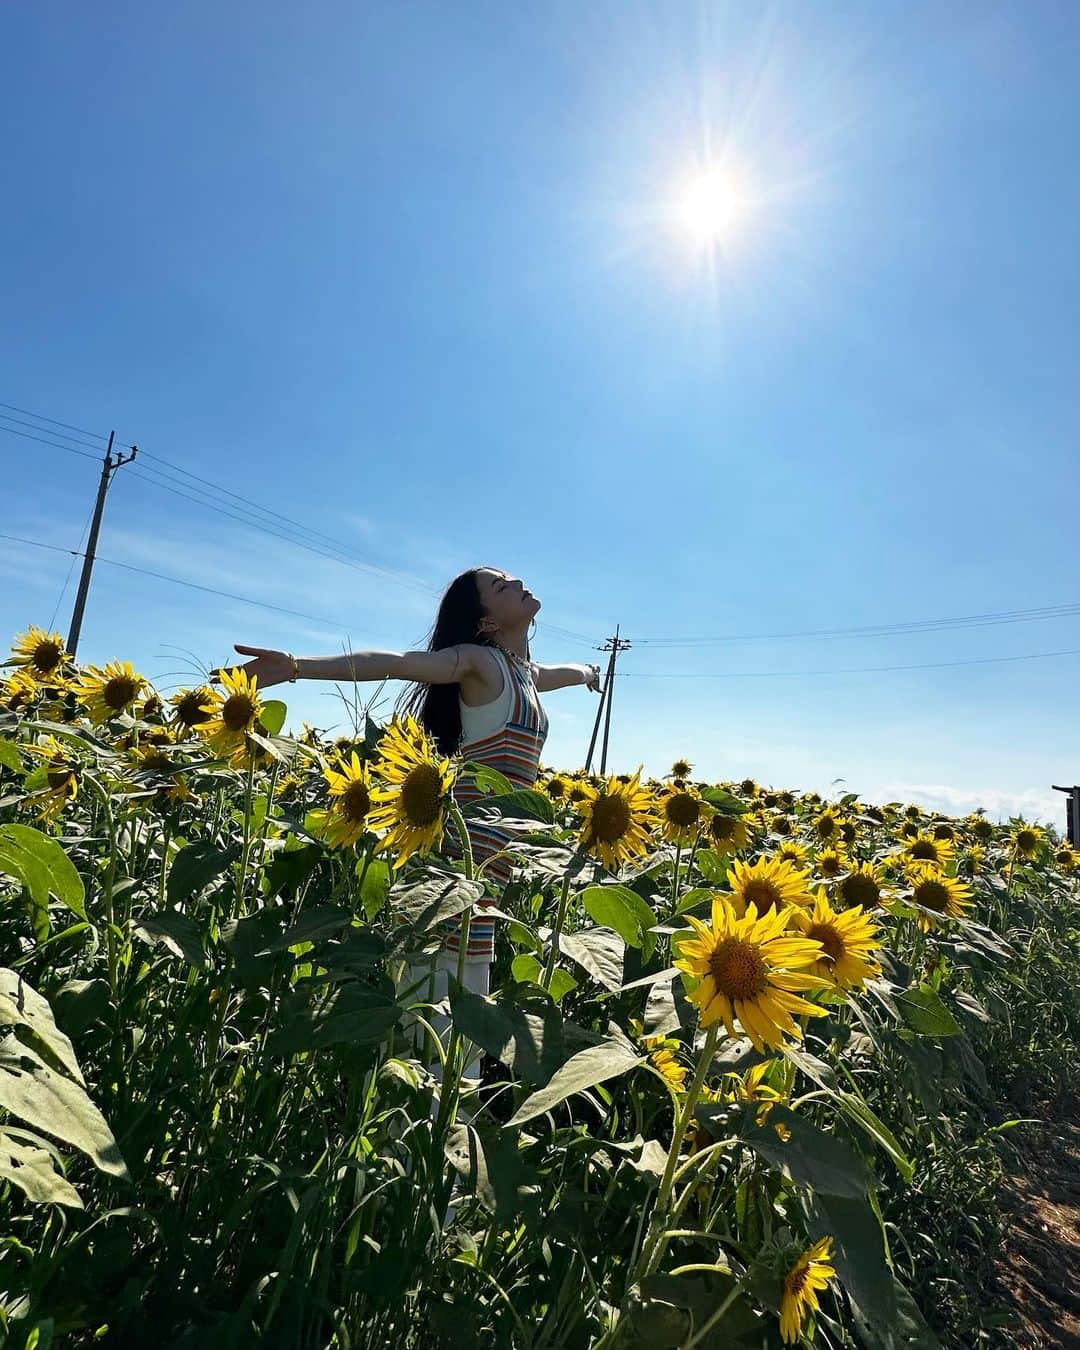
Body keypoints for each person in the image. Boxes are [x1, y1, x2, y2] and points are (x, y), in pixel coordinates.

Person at [223, 565, 601, 1073]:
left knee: (469, 971)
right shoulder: (479, 662)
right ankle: (427, 1097)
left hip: (495, 850)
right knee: (444, 973)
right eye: (499, 586)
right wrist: (294, 665)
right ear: (486, 620)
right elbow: (397, 663)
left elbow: (567, 672)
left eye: (512, 578)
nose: (516, 583)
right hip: (461, 843)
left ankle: (440, 1097)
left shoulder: (526, 675)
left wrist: (591, 674)